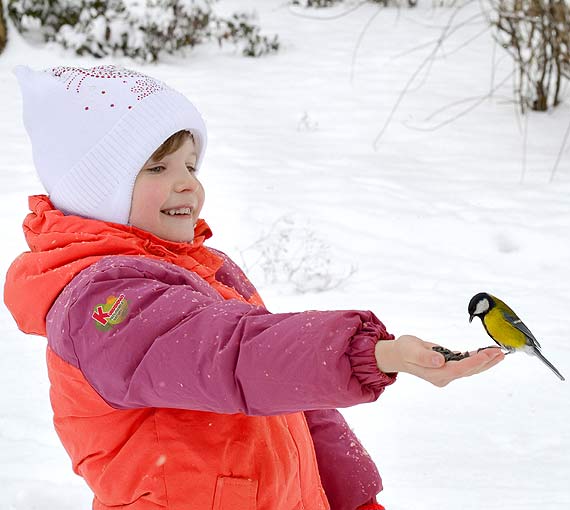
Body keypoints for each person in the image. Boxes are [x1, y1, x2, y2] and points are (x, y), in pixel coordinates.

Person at [4, 65, 504, 510]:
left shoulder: (207, 270)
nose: (187, 185)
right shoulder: (101, 303)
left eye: (190, 166)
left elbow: (290, 392)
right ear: (96, 191)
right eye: (158, 167)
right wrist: (374, 354)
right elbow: (235, 355)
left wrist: (351, 496)